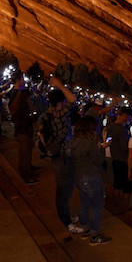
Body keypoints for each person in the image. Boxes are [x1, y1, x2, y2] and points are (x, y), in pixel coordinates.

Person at [44, 77, 83, 233]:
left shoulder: (50, 112)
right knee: (64, 189)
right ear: (60, 102)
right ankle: (67, 222)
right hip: (62, 156)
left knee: (64, 188)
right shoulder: (59, 114)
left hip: (59, 155)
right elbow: (73, 99)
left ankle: (66, 216)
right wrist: (59, 84)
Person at [70, 116, 112, 245]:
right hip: (92, 177)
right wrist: (103, 147)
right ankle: (95, 235)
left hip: (79, 177)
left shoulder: (74, 141)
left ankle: (85, 228)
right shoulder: (91, 142)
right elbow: (98, 160)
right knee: (97, 206)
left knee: (85, 203)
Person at [107, 107, 132, 208]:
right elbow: (124, 146)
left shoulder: (110, 127)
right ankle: (123, 207)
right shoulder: (121, 129)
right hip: (123, 160)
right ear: (125, 115)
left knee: (117, 184)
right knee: (127, 187)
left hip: (114, 158)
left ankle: (115, 206)